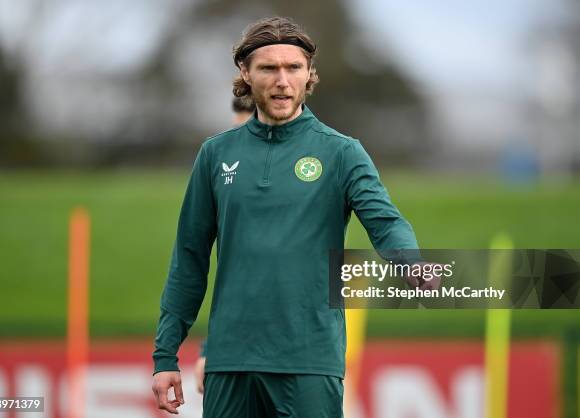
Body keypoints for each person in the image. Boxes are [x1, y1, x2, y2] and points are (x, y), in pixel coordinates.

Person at [152, 16, 437, 417]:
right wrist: (165, 357)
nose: (282, 80)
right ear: (246, 74)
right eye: (269, 68)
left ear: (309, 75)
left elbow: (385, 220)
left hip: (308, 361)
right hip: (230, 362)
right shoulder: (215, 155)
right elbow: (189, 259)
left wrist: (409, 259)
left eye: (294, 68)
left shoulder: (342, 152)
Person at [193, 96, 256, 395]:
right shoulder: (222, 160)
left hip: (309, 349)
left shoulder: (329, 157)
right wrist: (209, 348)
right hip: (239, 350)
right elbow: (239, 281)